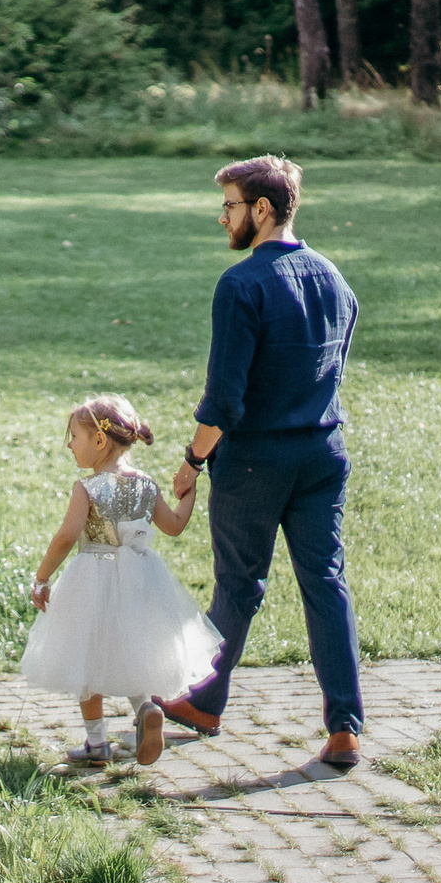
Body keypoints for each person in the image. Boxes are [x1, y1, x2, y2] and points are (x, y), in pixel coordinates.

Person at [155, 155, 365, 770]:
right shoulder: (334, 278)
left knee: (239, 584)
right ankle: (345, 727)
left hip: (254, 462)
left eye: (230, 206)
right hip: (323, 453)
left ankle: (206, 700)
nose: (223, 218)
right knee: (325, 581)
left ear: (262, 210)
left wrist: (193, 460)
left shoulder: (241, 285)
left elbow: (224, 398)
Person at [20, 395, 222, 768]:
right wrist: (189, 493)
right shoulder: (146, 484)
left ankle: (97, 745)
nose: (69, 444)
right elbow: (174, 526)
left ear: (99, 440)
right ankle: (146, 708)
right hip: (141, 578)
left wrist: (42, 577)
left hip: (92, 576)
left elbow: (67, 536)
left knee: (85, 656)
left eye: (74, 437)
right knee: (133, 648)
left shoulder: (88, 488)